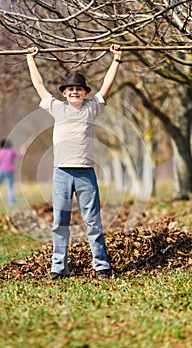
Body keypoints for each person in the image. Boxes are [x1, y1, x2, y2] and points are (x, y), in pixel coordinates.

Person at [27, 44, 122, 280]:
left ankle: (101, 266)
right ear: (64, 93)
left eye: (78, 89)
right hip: (61, 173)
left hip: (85, 174)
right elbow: (39, 85)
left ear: (84, 92)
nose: (74, 93)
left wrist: (116, 60)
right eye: (70, 89)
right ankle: (59, 268)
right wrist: (30, 59)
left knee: (93, 222)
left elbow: (106, 86)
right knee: (60, 222)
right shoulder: (57, 108)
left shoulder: (92, 109)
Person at [0, 139, 25, 207]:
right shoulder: (12, 151)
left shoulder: (0, 152)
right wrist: (23, 151)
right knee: (10, 186)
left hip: (1, 170)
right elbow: (21, 156)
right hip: (10, 170)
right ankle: (11, 202)